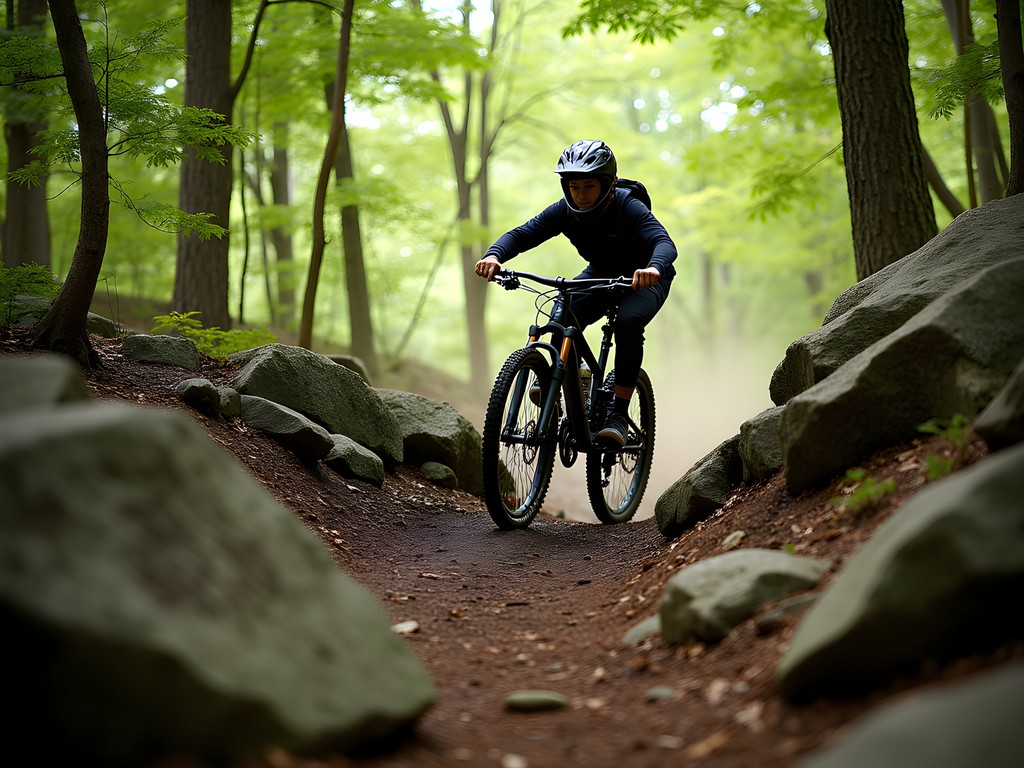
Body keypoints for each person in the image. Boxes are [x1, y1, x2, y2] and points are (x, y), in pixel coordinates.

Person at [475, 139, 677, 447]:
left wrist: (654, 268)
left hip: (646, 278)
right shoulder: (565, 211)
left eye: (588, 186)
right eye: (573, 187)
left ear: (607, 185)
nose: (580, 195)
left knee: (628, 323)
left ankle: (618, 415)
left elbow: (664, 242)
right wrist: (494, 255)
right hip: (601, 273)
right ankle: (566, 382)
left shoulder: (626, 205)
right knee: (561, 312)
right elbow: (522, 233)